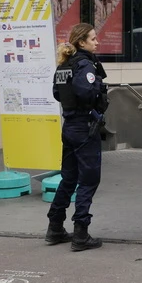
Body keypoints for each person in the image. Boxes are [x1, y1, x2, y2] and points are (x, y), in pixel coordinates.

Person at [45, 23, 109, 251]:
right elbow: (85, 91)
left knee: (69, 178)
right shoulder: (85, 65)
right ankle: (81, 233)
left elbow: (56, 93)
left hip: (70, 126)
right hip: (84, 127)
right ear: (82, 42)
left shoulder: (64, 65)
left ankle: (55, 227)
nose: (96, 42)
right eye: (93, 39)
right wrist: (99, 89)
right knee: (89, 179)